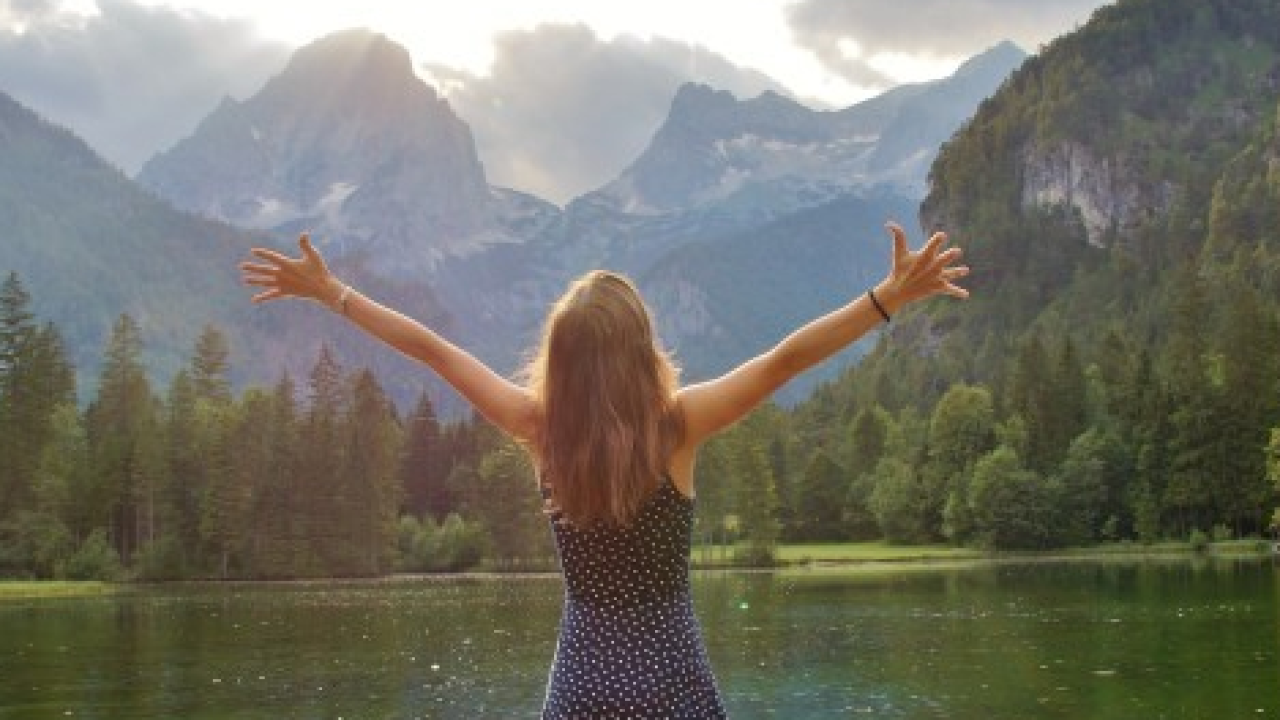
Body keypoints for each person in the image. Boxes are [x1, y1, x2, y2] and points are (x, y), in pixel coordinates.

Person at [239, 222, 968, 718]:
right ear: (642, 349)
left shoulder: (538, 431)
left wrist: (333, 293)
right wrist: (885, 299)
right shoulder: (679, 427)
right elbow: (782, 361)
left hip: (583, 685)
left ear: (560, 362)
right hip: (675, 681)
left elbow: (433, 351)